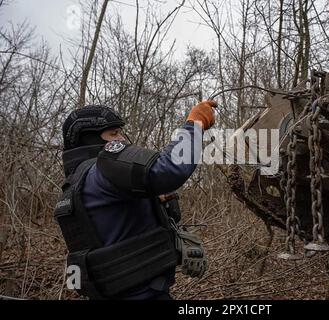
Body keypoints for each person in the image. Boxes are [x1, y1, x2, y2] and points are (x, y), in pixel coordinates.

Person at [54, 101, 216, 300]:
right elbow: (168, 170)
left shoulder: (77, 184)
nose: (123, 139)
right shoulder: (102, 169)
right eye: (114, 134)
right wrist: (195, 123)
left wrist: (151, 201)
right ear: (89, 138)